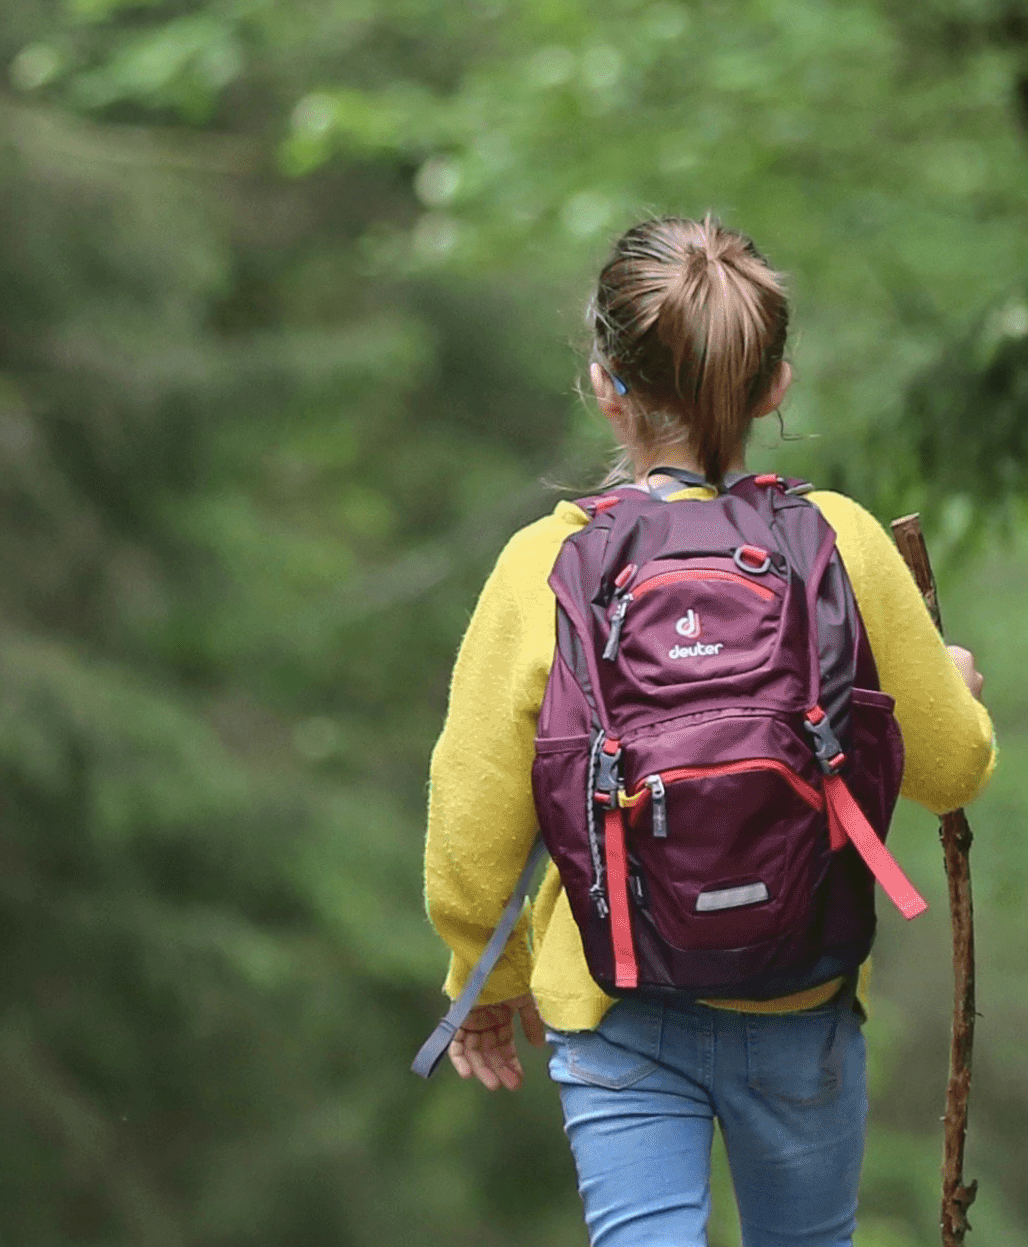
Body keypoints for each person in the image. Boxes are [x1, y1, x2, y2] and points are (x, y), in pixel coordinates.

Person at [424, 216, 995, 1247]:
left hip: (617, 998)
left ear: (606, 382)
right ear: (777, 386)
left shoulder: (546, 567)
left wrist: (484, 982)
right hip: (804, 997)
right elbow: (954, 767)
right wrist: (946, 686)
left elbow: (476, 824)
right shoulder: (841, 543)